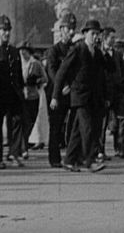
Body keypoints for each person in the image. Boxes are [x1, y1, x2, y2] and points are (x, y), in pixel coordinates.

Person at [51, 19, 107, 173]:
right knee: (87, 128)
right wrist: (55, 96)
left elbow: (109, 69)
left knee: (76, 131)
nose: (96, 37)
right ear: (84, 34)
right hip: (79, 97)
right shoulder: (78, 49)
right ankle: (90, 160)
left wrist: (106, 51)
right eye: (93, 34)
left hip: (92, 97)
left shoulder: (97, 52)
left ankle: (69, 160)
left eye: (98, 34)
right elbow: (61, 72)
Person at [0, 14, 25, 168]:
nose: (6, 33)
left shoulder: (14, 51)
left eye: (8, 30)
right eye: (3, 30)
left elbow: (18, 72)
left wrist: (21, 89)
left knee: (17, 123)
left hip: (13, 93)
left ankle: (14, 152)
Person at [45, 12, 76, 168]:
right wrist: (62, 86)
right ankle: (54, 158)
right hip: (56, 94)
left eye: (73, 29)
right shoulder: (54, 51)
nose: (71, 32)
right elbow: (52, 72)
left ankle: (73, 156)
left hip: (72, 92)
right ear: (61, 29)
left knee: (73, 126)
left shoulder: (75, 49)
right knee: (56, 127)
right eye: (68, 28)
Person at [101, 27, 124, 158]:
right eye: (111, 38)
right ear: (105, 38)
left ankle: (121, 148)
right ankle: (100, 150)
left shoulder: (118, 54)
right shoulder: (99, 53)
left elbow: (123, 71)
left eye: (114, 38)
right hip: (104, 91)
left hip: (118, 91)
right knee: (102, 122)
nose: (113, 40)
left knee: (123, 118)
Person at [18, 41, 47, 158]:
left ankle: (24, 144)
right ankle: (23, 147)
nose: (22, 55)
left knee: (30, 122)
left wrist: (37, 81)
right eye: (21, 52)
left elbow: (45, 78)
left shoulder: (36, 64)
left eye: (24, 52)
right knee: (23, 122)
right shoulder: (18, 64)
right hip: (21, 95)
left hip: (33, 95)